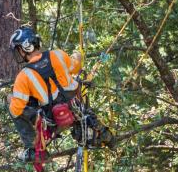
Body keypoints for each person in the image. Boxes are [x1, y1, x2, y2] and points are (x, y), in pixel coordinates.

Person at [8, 26, 115, 162]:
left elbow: (16, 110)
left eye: (18, 50)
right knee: (77, 91)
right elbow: (75, 66)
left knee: (12, 105)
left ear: (24, 48)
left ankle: (34, 149)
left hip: (55, 120)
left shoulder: (23, 77)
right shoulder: (57, 54)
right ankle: (103, 133)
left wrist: (14, 99)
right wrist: (77, 55)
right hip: (77, 106)